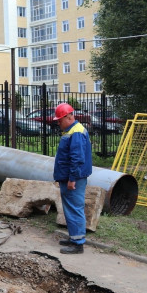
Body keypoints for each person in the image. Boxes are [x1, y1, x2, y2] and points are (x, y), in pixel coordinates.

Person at [53, 103, 92, 254]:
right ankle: (74, 238)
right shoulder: (72, 130)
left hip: (73, 178)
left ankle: (77, 244)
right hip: (69, 177)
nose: (58, 123)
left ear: (68, 117)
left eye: (59, 120)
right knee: (71, 208)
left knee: (75, 209)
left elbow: (77, 158)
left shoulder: (76, 132)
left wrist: (72, 179)